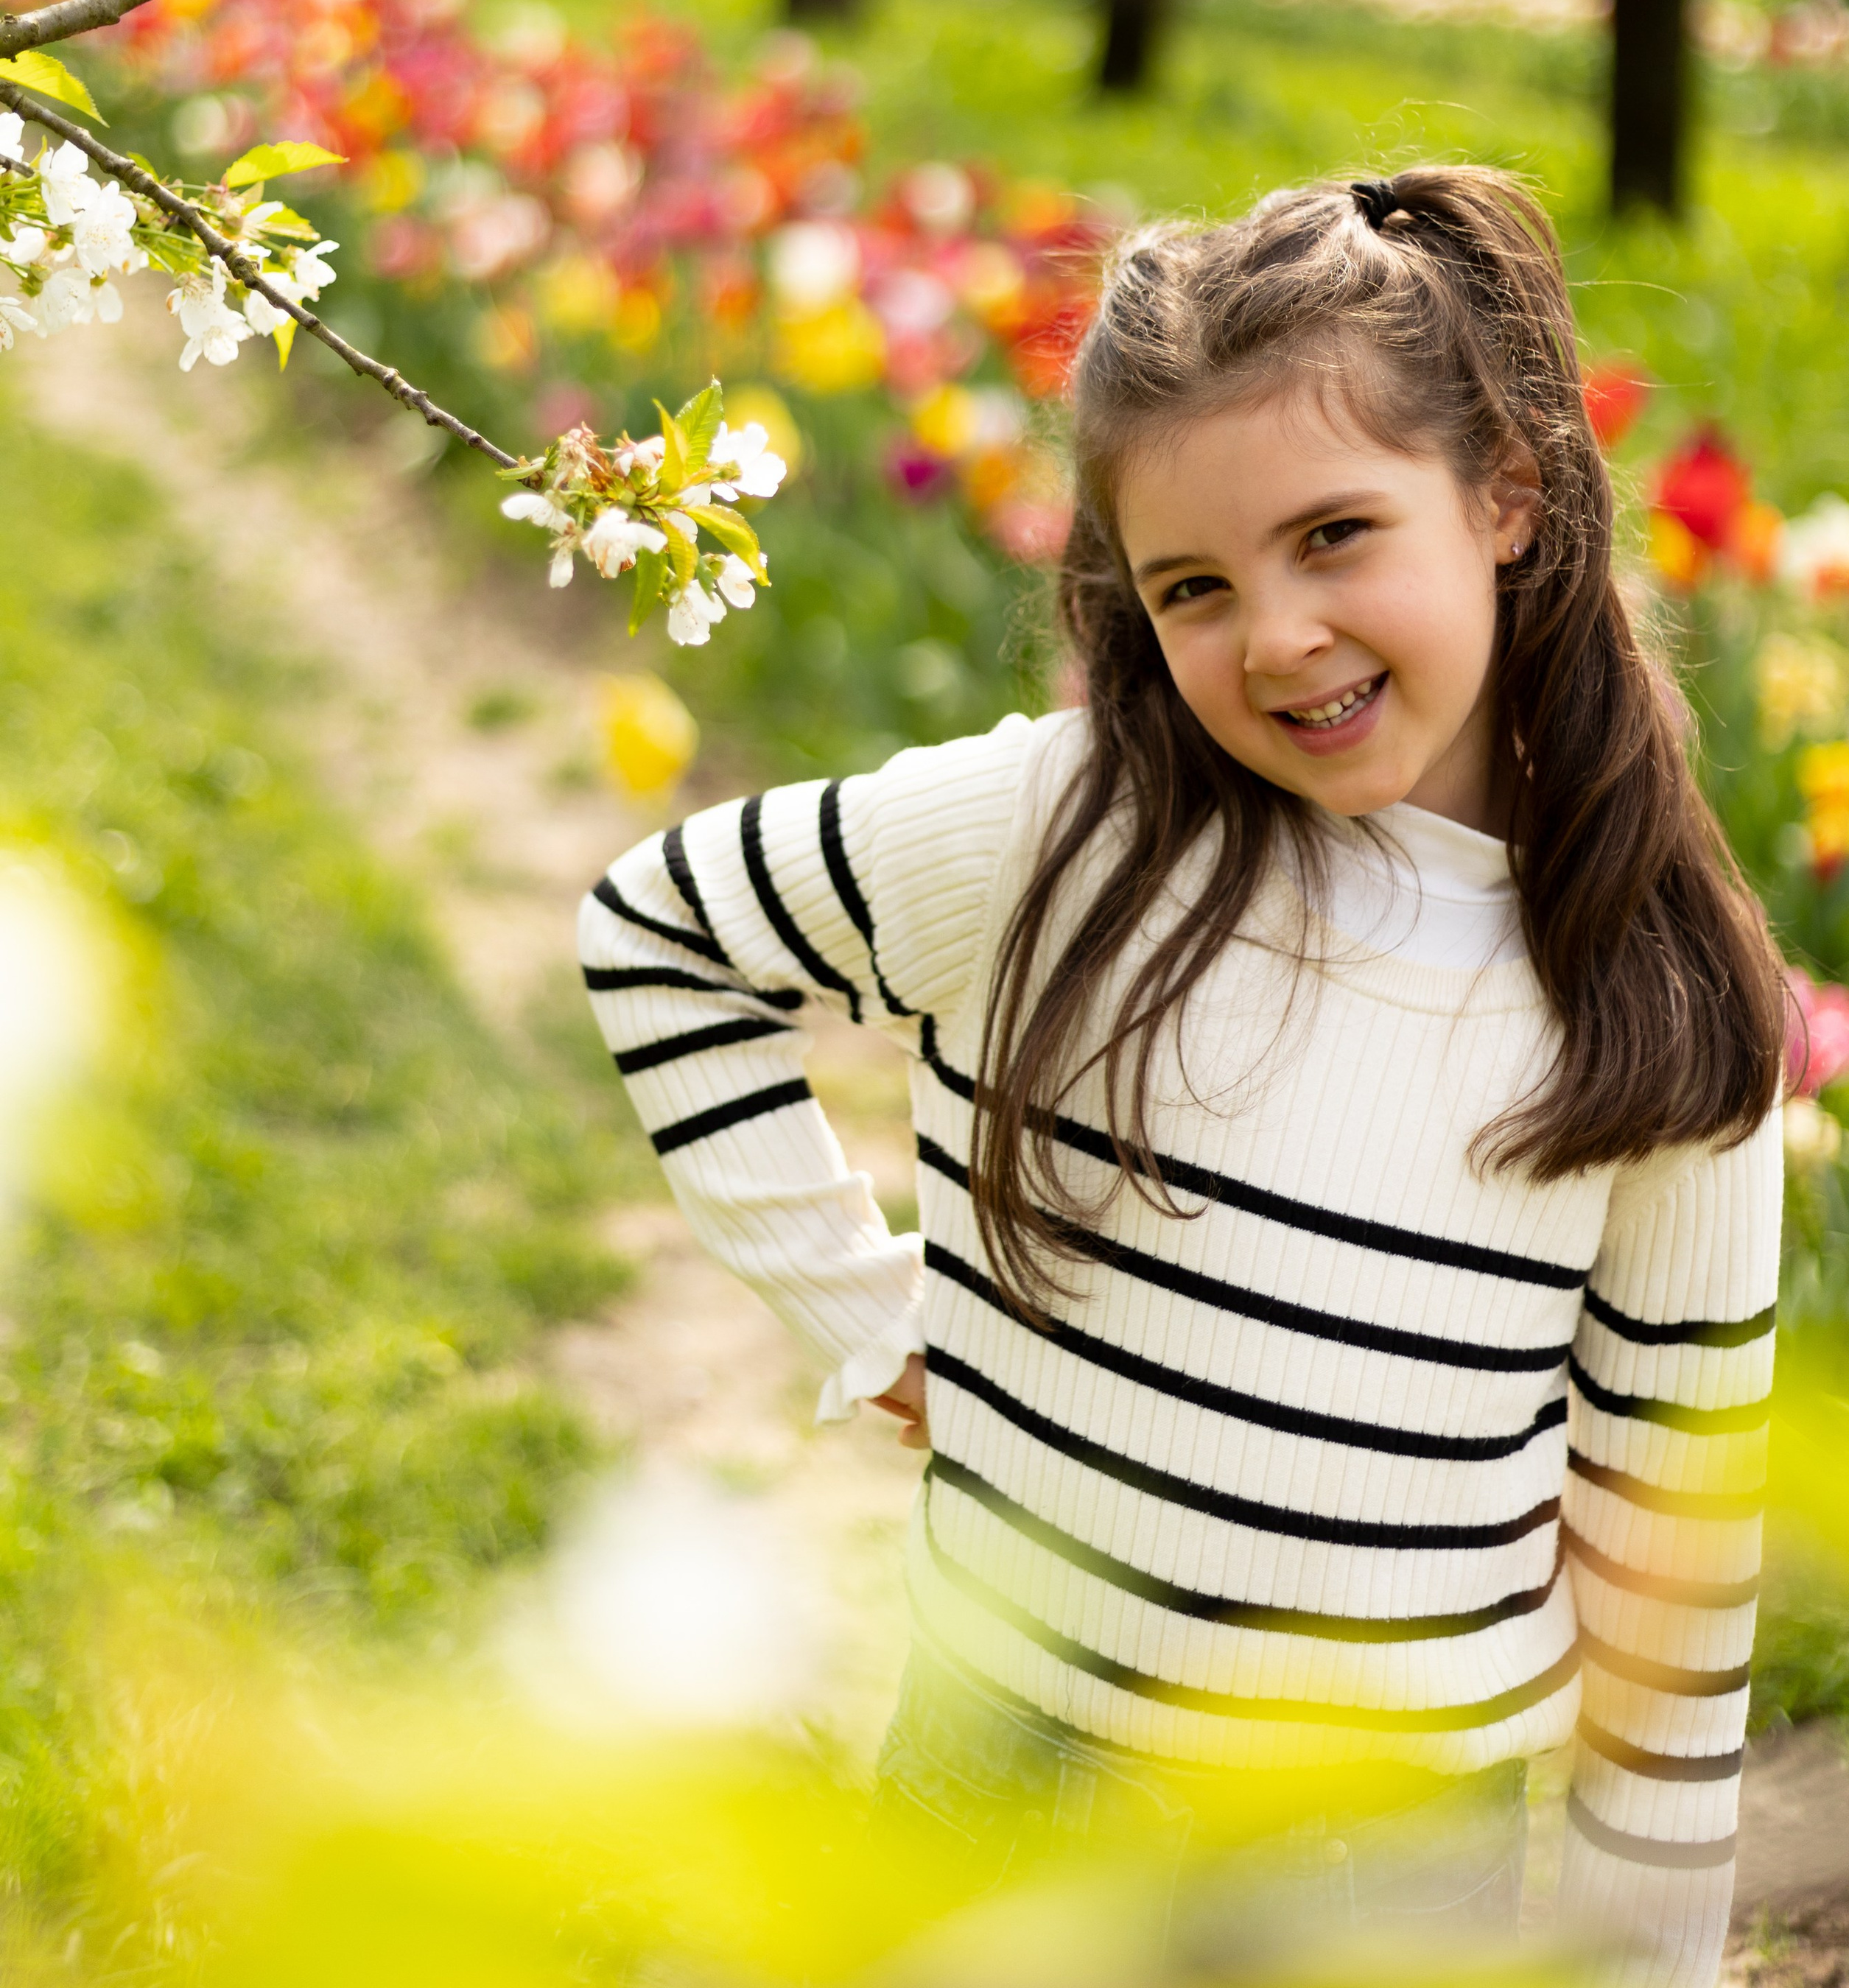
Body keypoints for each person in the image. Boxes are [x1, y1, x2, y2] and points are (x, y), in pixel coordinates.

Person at [579, 167, 1784, 1986]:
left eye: (1334, 537)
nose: (1274, 635)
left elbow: (1669, 1579)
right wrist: (862, 1317)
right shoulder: (1061, 831)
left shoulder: (1649, 999)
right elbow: (662, 932)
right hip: (993, 1779)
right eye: (1192, 587)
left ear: (1506, 494)